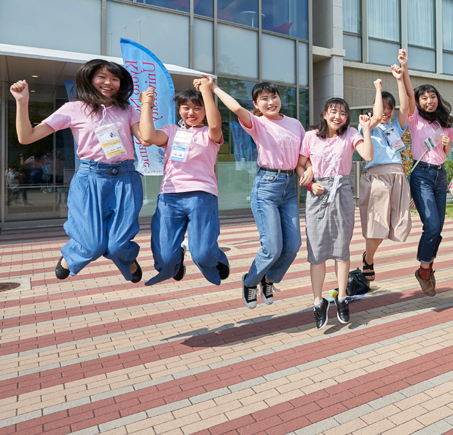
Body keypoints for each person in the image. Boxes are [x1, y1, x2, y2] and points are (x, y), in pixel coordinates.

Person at [9, 60, 144, 282]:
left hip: (126, 178)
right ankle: (71, 255)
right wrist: (22, 102)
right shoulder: (73, 108)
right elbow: (26, 137)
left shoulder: (127, 109)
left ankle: (126, 257)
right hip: (90, 178)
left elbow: (146, 138)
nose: (108, 82)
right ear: (89, 78)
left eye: (115, 78)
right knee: (92, 244)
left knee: (118, 244)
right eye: (102, 76)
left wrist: (146, 106)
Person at [214, 80, 305, 309]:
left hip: (289, 187)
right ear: (256, 104)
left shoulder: (295, 124)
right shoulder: (257, 123)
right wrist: (214, 87)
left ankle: (269, 279)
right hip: (266, 186)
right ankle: (250, 280)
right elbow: (235, 108)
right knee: (272, 247)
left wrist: (310, 171)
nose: (270, 102)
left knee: (292, 246)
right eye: (264, 99)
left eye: (273, 96)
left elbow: (306, 155)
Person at [139, 77, 231, 286]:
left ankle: (217, 257)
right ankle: (177, 259)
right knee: (165, 258)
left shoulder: (210, 133)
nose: (191, 112)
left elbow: (216, 123)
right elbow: (147, 136)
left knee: (203, 253)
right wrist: (146, 104)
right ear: (179, 109)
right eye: (185, 107)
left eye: (197, 108)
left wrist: (207, 91)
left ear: (205, 111)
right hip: (169, 196)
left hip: (201, 195)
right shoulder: (172, 131)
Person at [298, 97, 374, 329]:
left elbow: (368, 156)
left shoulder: (351, 134)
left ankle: (342, 297)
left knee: (342, 248)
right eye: (333, 111)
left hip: (342, 192)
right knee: (317, 250)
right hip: (318, 194)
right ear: (324, 114)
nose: (337, 116)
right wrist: (310, 183)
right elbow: (300, 165)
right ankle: (318, 301)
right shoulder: (311, 136)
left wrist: (367, 129)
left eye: (342, 112)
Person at [400, 56, 453, 296]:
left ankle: (428, 266)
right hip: (421, 175)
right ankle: (424, 269)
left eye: (432, 97)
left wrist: (445, 146)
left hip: (439, 175)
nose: (429, 101)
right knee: (431, 224)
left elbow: (446, 153)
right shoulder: (414, 119)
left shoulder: (445, 123)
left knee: (438, 227)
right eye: (424, 98)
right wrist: (403, 70)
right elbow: (408, 99)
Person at [358, 67, 412, 285]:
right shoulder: (366, 126)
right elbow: (377, 115)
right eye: (384, 107)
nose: (387, 112)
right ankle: (368, 260)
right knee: (377, 227)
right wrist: (378, 89)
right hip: (377, 178)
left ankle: (367, 256)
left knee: (398, 225)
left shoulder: (396, 127)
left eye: (391, 108)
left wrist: (399, 80)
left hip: (398, 177)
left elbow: (406, 106)